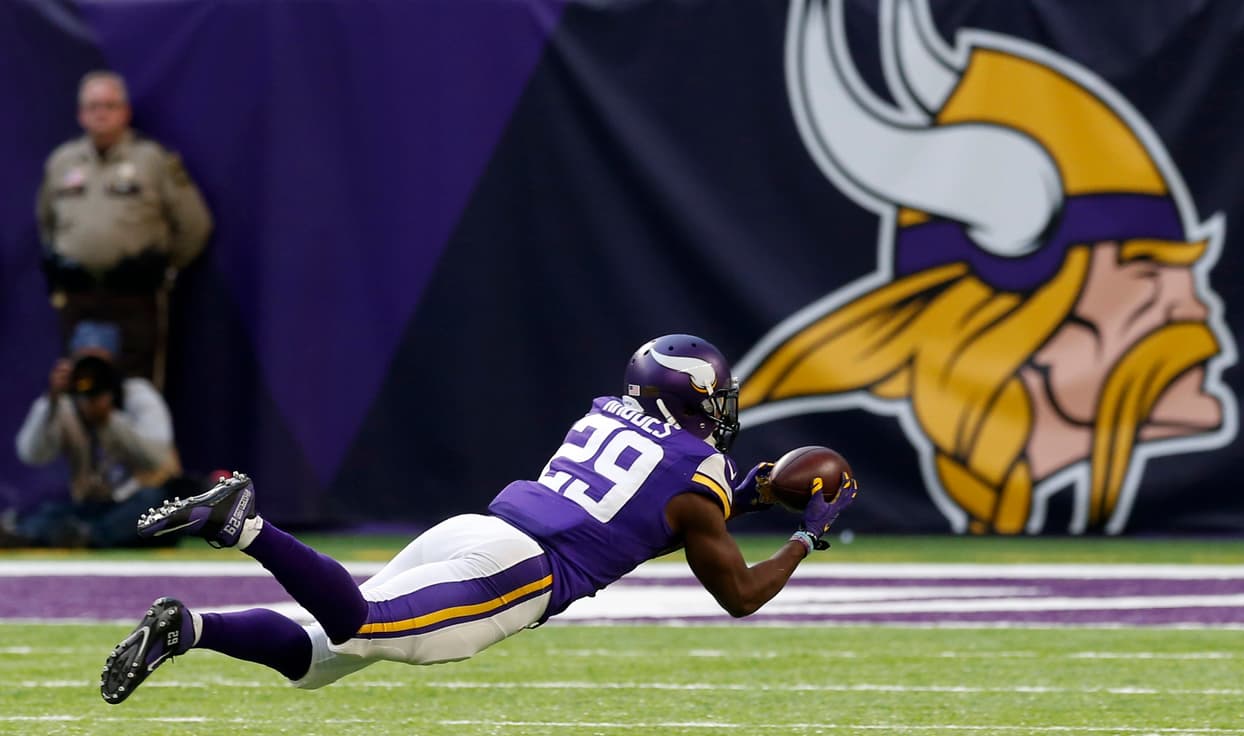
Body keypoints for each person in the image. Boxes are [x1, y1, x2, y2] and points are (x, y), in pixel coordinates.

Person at [99, 333, 859, 704]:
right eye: (713, 396)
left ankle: (186, 628)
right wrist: (805, 537)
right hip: (518, 572)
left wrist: (747, 492)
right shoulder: (697, 481)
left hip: (476, 531)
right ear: (687, 399)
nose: (721, 409)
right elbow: (740, 593)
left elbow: (655, 506)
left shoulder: (611, 414)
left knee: (315, 661)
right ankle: (246, 527)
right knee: (361, 622)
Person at [37, 70, 212, 387]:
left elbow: (194, 225)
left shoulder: (153, 161)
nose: (101, 113)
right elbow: (46, 221)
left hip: (134, 297)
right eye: (92, 106)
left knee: (136, 390)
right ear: (80, 114)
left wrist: (164, 267)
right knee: (78, 387)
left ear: (126, 112)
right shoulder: (62, 162)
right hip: (79, 296)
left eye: (109, 105)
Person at [7, 321, 184, 548]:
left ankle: (86, 535)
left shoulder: (137, 395)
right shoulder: (62, 403)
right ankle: (40, 532)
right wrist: (50, 403)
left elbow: (156, 459)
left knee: (155, 503)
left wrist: (110, 420)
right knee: (52, 509)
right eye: (84, 364)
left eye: (99, 365)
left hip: (138, 501)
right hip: (92, 504)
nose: (91, 375)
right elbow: (30, 454)